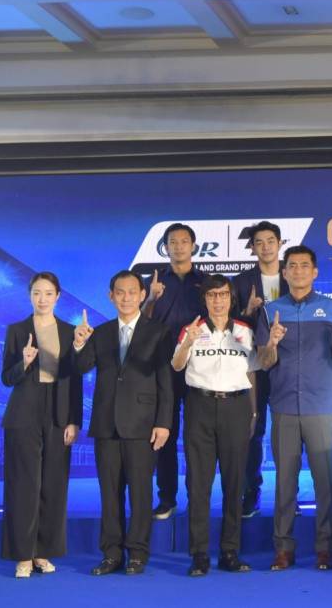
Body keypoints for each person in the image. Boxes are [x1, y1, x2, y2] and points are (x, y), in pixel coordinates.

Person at [74, 270, 173, 576]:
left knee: (141, 493)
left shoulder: (159, 332)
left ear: (142, 295)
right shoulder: (100, 332)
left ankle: (138, 554)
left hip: (143, 425)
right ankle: (111, 554)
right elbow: (81, 367)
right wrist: (78, 344)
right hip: (106, 424)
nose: (126, 298)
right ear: (111, 296)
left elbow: (165, 382)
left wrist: (164, 422)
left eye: (132, 292)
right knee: (110, 493)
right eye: (120, 292)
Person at [256, 245, 332, 572]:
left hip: (320, 405)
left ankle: (325, 549)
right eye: (292, 266)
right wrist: (272, 342)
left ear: (315, 272)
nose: (298, 271)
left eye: (304, 265)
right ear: (284, 272)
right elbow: (264, 361)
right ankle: (283, 548)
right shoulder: (270, 311)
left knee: (325, 483)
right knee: (284, 483)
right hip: (283, 406)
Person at [172, 275, 256, 577]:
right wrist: (188, 343)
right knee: (198, 484)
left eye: (223, 295)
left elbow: (254, 371)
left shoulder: (245, 330)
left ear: (231, 298)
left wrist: (253, 411)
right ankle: (199, 554)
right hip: (200, 406)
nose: (218, 301)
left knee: (235, 483)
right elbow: (177, 365)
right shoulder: (192, 329)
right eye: (212, 295)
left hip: (236, 406)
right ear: (205, 299)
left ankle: (230, 551)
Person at [0, 272, 82, 579]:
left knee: (53, 485)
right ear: (30, 295)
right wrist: (23, 362)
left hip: (58, 413)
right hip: (24, 412)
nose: (42, 299)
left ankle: (42, 552)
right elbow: (6, 378)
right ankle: (23, 555)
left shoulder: (69, 331)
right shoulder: (17, 330)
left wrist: (74, 420)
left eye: (48, 293)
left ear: (58, 296)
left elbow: (75, 380)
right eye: (37, 293)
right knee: (23, 485)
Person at [143, 222, 207, 520]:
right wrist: (151, 298)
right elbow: (140, 322)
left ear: (193, 246)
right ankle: (166, 498)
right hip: (162, 366)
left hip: (199, 366)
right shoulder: (153, 282)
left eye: (184, 241)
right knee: (163, 433)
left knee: (197, 436)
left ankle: (197, 497)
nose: (178, 246)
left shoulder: (205, 282)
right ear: (165, 247)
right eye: (173, 242)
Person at [234, 220, 289, 518]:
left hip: (290, 363)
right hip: (254, 364)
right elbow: (230, 325)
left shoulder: (293, 274)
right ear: (253, 248)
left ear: (280, 244)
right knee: (252, 429)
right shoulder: (242, 282)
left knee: (290, 431)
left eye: (271, 241)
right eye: (259, 242)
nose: (265, 247)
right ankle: (251, 492)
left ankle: (289, 495)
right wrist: (248, 312)